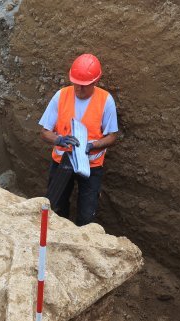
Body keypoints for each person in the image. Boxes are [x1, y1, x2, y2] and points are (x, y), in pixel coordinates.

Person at [39, 53, 119, 226]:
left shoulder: (106, 101)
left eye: (84, 86)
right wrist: (59, 140)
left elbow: (112, 136)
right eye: (76, 84)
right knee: (56, 209)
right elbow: (45, 132)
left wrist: (92, 146)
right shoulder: (61, 96)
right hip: (62, 162)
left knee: (86, 217)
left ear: (95, 83)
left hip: (91, 166)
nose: (79, 89)